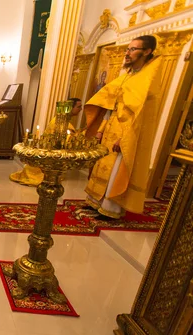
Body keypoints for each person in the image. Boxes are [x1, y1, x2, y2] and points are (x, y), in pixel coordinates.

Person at [85, 36, 163, 219]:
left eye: (133, 49)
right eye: (127, 49)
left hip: (126, 133)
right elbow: (111, 106)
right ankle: (95, 201)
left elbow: (140, 115)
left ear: (147, 52)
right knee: (101, 166)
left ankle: (110, 208)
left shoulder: (147, 80)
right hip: (111, 129)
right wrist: (100, 129)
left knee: (116, 170)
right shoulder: (127, 75)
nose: (127, 54)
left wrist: (125, 138)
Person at [10, 98, 83, 186]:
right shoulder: (59, 122)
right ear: (70, 108)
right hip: (48, 154)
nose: (80, 109)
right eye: (79, 107)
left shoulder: (65, 122)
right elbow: (66, 141)